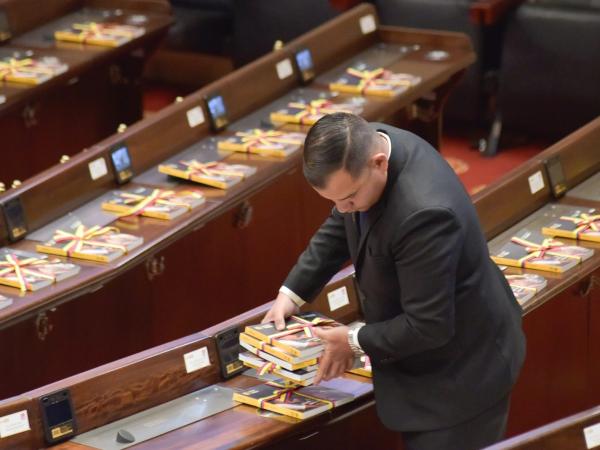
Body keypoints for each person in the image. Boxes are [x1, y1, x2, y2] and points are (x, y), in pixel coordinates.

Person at [262, 113, 526, 450]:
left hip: (461, 379)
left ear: (379, 163)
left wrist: (353, 340)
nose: (343, 209)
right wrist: (291, 293)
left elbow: (428, 326)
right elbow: (342, 222)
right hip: (427, 366)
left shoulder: (425, 214)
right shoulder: (365, 146)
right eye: (334, 201)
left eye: (349, 198)